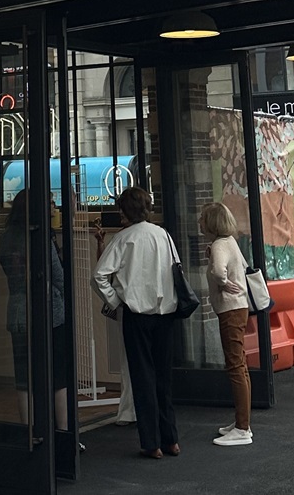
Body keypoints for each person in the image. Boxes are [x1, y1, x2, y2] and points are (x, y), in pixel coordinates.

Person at [92, 186, 179, 460]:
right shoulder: (163, 235)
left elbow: (99, 276)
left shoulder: (123, 239)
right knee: (164, 377)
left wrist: (116, 301)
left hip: (135, 314)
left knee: (142, 378)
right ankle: (171, 440)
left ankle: (151, 443)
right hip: (165, 313)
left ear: (124, 211)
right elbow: (175, 270)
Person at [0, 191, 68, 429]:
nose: (53, 206)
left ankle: (29, 431)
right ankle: (63, 431)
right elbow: (58, 276)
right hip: (49, 312)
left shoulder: (5, 239)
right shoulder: (41, 238)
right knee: (57, 375)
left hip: (17, 311)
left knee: (24, 378)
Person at [199, 202, 252, 446]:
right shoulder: (230, 241)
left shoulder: (219, 244)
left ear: (211, 223)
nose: (200, 222)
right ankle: (242, 421)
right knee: (240, 364)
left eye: (202, 219)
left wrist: (219, 279)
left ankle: (242, 428)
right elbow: (239, 266)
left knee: (234, 366)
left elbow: (219, 272)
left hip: (229, 308)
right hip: (240, 307)